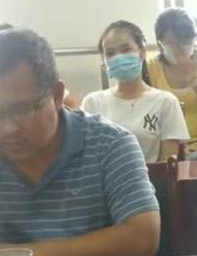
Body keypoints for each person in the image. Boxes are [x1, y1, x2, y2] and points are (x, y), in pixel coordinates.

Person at [0, 29, 160, 256]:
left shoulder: (110, 144)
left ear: (56, 96)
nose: (8, 127)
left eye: (22, 110)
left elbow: (143, 237)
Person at [81, 20, 189, 163]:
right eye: (110, 53)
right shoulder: (93, 103)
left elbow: (169, 165)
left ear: (142, 52)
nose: (118, 57)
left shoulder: (166, 102)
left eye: (125, 50)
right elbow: (86, 158)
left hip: (150, 177)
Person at [145, 8, 197, 156]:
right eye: (171, 44)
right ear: (160, 43)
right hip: (166, 139)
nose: (178, 50)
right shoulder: (150, 67)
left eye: (184, 43)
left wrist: (195, 82)